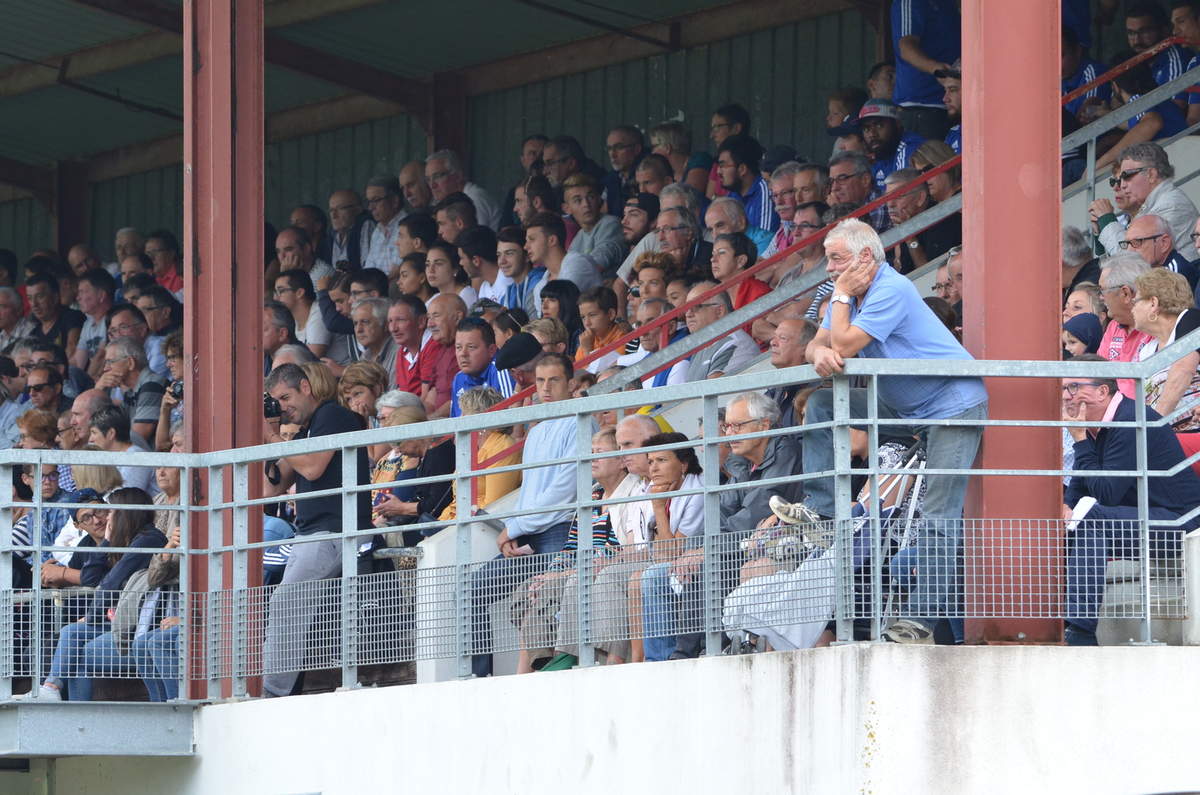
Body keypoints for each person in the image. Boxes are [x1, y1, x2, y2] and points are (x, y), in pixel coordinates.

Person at [799, 218, 988, 644]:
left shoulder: (890, 288)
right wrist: (816, 354)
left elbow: (842, 344)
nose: (829, 269)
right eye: (829, 260)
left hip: (951, 407)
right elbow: (817, 343)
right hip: (903, 404)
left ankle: (919, 621)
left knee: (938, 513)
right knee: (823, 403)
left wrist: (838, 304)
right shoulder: (848, 295)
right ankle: (822, 512)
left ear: (865, 257)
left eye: (836, 259)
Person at [1060, 356, 1200, 646]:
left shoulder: (1130, 420)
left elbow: (1107, 493)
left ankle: (1080, 632)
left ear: (1102, 391)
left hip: (1180, 523)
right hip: (1142, 517)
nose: (1065, 396)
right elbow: (1081, 483)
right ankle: (1064, 627)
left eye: (1073, 387)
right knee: (1068, 524)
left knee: (1091, 520)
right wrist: (1066, 508)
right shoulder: (1097, 423)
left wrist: (1080, 440)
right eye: (1062, 388)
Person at [469, 352, 585, 677]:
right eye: (540, 381)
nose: (545, 388)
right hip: (529, 533)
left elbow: (564, 492)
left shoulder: (579, 423)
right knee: (470, 592)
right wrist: (514, 528)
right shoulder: (536, 431)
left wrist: (515, 526)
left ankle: (552, 675)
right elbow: (530, 490)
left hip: (560, 530)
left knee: (550, 600)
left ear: (571, 384)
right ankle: (479, 677)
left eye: (554, 380)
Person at [261, 364, 371, 697]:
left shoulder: (332, 415)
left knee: (285, 601)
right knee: (282, 601)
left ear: (306, 387)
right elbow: (270, 489)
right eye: (276, 401)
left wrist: (273, 437)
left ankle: (272, 692)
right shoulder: (305, 431)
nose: (283, 407)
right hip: (308, 535)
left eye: (286, 397)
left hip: (335, 531)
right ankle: (284, 688)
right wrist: (269, 435)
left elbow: (312, 467)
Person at [33, 487, 167, 700]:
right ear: (78, 525)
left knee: (78, 650)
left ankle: (62, 698)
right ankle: (52, 688)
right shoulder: (122, 539)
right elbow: (91, 576)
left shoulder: (148, 539)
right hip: (123, 621)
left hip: (142, 627)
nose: (104, 519)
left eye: (108, 512)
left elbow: (109, 583)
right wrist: (107, 540)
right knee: (71, 632)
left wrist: (91, 618)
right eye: (87, 517)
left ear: (126, 513)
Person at [513, 426, 628, 673]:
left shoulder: (629, 494)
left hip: (601, 570)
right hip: (578, 570)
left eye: (600, 453)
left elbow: (615, 549)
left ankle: (555, 664)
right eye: (591, 452)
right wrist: (551, 572)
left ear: (621, 461)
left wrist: (562, 575)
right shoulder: (592, 496)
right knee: (527, 589)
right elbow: (571, 546)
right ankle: (535, 668)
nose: (592, 458)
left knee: (556, 587)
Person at [1130, 269, 1200, 458]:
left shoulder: (1191, 320)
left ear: (1153, 303)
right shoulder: (1146, 350)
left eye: (1136, 301)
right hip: (1170, 439)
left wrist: (1153, 429)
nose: (1132, 308)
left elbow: (1183, 370)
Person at [1092, 143, 1199, 260]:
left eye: (1127, 176)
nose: (1122, 185)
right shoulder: (1153, 204)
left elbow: (1133, 260)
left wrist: (1107, 221)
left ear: (1151, 175)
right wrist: (1100, 233)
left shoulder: (1171, 205)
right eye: (1119, 180)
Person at [890, 0, 961, 140]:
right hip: (922, 106)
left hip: (952, 105)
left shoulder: (949, 4)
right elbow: (906, 47)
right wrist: (936, 69)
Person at [883, 167, 959, 273]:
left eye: (898, 196)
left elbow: (930, 275)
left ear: (920, 198)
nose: (890, 204)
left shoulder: (943, 221)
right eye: (887, 198)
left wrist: (910, 237)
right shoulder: (898, 222)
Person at [1098, 252, 1155, 396]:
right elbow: (1099, 377)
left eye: (1102, 290)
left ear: (1126, 293)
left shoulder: (1157, 327)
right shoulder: (1113, 326)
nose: (1100, 297)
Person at [682, 282, 760, 381]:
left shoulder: (734, 343)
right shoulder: (701, 347)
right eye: (686, 309)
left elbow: (714, 389)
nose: (688, 314)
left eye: (696, 307)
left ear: (719, 311)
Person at [524, 212, 600, 309]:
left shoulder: (577, 264)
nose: (525, 247)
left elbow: (561, 309)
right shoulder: (540, 286)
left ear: (552, 240)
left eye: (532, 239)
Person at [564, 173, 625, 278]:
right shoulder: (578, 238)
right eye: (578, 200)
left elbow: (597, 264)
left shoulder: (611, 224)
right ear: (567, 209)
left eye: (591, 197)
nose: (586, 204)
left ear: (598, 199)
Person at [857, 99, 926, 192]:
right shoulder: (881, 155)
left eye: (879, 125)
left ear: (897, 123)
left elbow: (901, 195)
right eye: (866, 129)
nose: (872, 134)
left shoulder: (910, 148)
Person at [450, 317, 514, 417]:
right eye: (458, 347)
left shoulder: (501, 370)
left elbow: (510, 417)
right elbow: (454, 422)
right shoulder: (459, 378)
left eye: (471, 347)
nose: (463, 353)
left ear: (491, 350)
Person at [87, 404, 158, 494]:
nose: (90, 439)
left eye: (94, 433)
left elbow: (125, 497)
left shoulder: (136, 458)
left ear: (111, 433)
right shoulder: (110, 458)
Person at [716, 135, 779, 233]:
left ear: (742, 169)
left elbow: (765, 239)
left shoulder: (765, 191)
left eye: (723, 166)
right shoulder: (733, 195)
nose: (718, 171)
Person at [425, 149, 500, 230]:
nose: (432, 185)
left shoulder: (474, 199)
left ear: (458, 176)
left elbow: (474, 237)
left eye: (437, 176)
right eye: (428, 179)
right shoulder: (443, 203)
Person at [1123, 214, 1199, 291]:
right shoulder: (1157, 273)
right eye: (1127, 243)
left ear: (1164, 243)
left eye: (1137, 242)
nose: (1129, 250)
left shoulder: (1173, 276)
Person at [421, 293, 465, 418]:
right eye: (429, 318)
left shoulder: (467, 350)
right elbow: (432, 396)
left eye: (436, 316)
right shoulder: (440, 350)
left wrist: (432, 421)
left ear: (457, 317)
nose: (430, 324)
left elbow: (463, 396)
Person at [274, 269, 330, 359]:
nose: (276, 298)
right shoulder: (294, 320)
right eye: (276, 292)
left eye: (281, 291)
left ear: (299, 293)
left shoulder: (319, 312)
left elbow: (311, 358)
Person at [27, 272, 84, 359]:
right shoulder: (34, 334)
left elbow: (72, 349)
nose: (34, 304)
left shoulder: (73, 317)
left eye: (40, 296)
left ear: (55, 297)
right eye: (29, 298)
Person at [828, 151, 888, 233]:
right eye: (832, 181)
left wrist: (839, 210)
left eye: (842, 178)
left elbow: (861, 239)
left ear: (865, 180)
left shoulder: (879, 205)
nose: (834, 188)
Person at [648, 120, 711, 193]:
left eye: (654, 146)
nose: (652, 152)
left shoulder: (699, 160)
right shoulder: (667, 172)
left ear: (667, 148)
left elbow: (690, 194)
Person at [574, 286, 624, 374]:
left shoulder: (623, 340)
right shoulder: (587, 341)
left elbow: (598, 376)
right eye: (583, 317)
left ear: (611, 314)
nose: (587, 323)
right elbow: (579, 375)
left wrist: (588, 350)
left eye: (592, 315)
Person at [363, 175, 407, 274]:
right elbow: (369, 270)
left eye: (376, 200)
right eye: (369, 202)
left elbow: (398, 273)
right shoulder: (377, 231)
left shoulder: (408, 227)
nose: (370, 207)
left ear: (394, 201)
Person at [458, 225, 512, 305]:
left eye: (462, 258)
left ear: (476, 261)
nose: (460, 263)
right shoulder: (484, 288)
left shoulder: (508, 282)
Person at [497, 226, 544, 316]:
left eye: (509, 253)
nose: (502, 261)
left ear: (527, 256)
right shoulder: (508, 294)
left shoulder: (538, 283)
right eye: (499, 255)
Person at [603, 125, 645, 216]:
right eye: (609, 148)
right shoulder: (611, 179)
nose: (612, 154)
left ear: (637, 149)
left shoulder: (647, 175)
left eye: (619, 147)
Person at [326, 189, 373, 271]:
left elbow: (368, 269)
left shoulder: (365, 225)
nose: (334, 216)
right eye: (331, 210)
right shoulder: (333, 234)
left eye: (340, 208)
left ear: (358, 210)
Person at [425, 239, 478, 308]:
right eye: (427, 264)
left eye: (438, 264)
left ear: (455, 269)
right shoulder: (432, 301)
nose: (431, 270)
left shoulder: (466, 295)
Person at [351, 297, 397, 376]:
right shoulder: (365, 356)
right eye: (355, 323)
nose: (359, 330)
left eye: (365, 322)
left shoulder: (399, 353)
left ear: (386, 325)